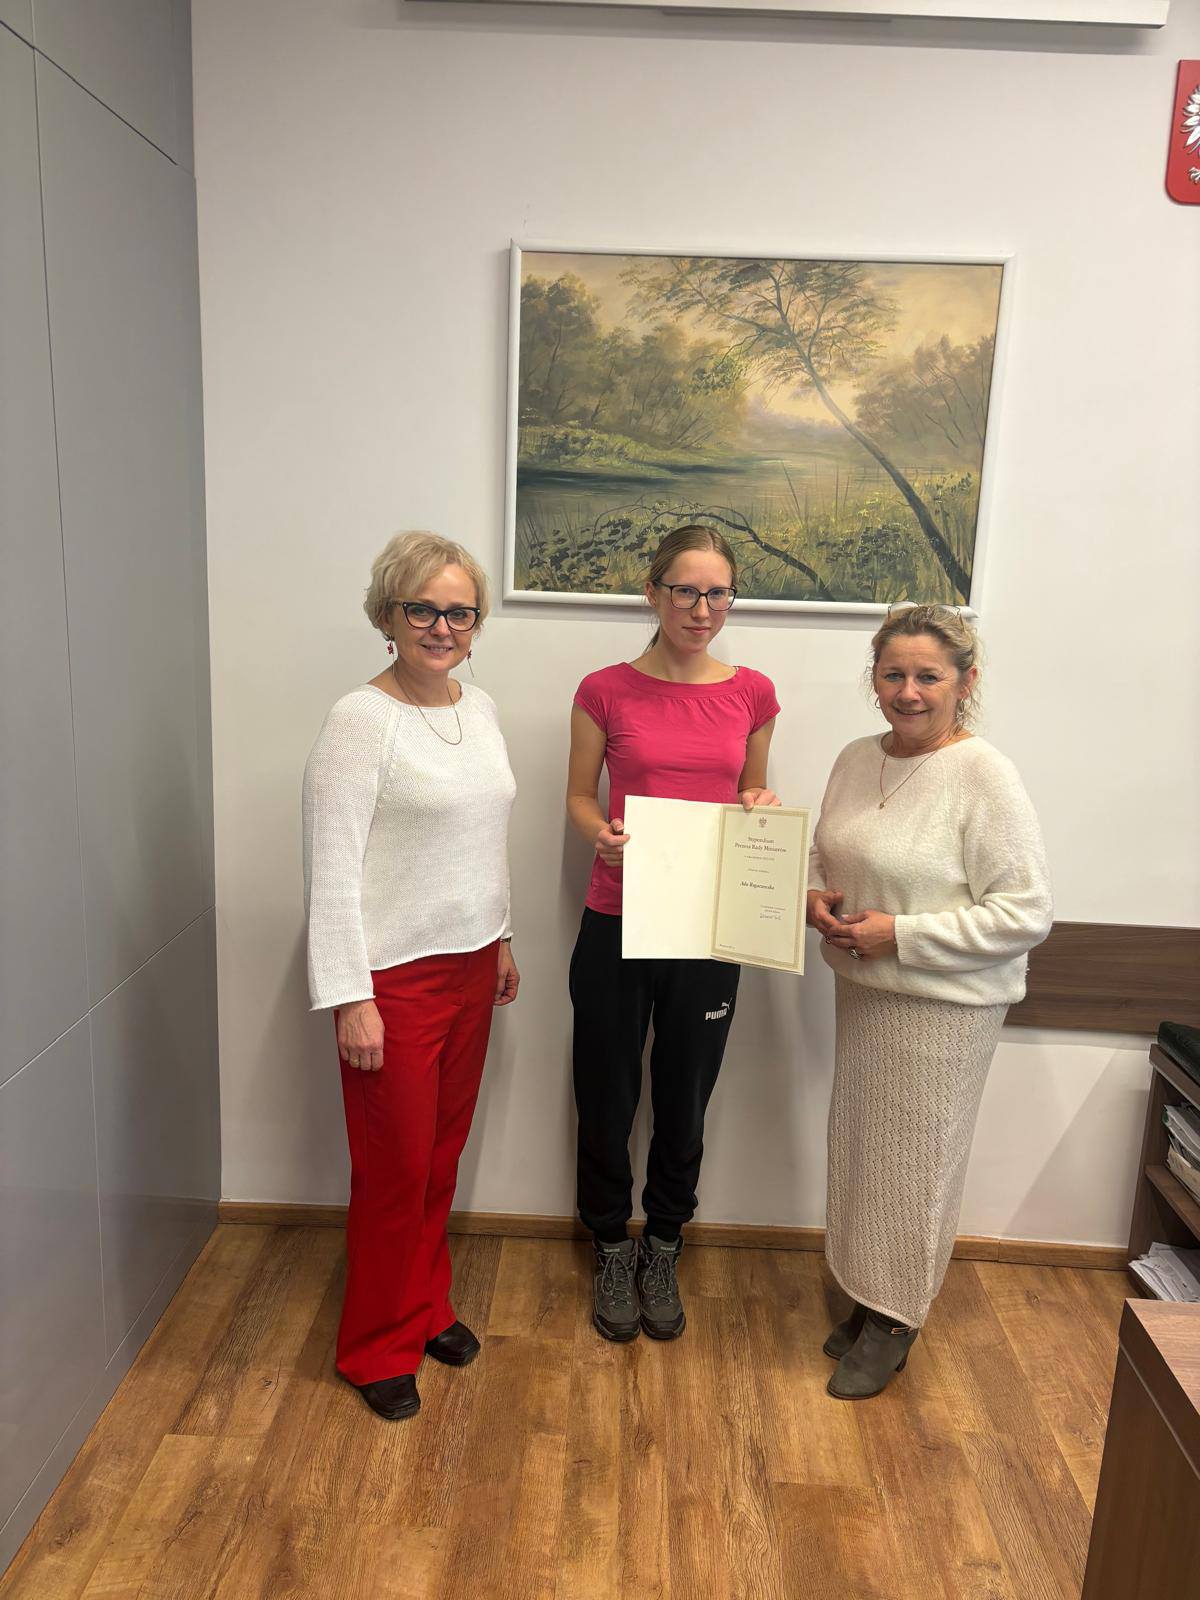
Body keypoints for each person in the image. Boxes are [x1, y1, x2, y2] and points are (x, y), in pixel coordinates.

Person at [807, 603, 1051, 1400]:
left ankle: (896, 1319)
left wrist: (901, 935)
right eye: (893, 674)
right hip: (865, 994)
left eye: (927, 676)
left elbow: (1025, 913)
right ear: (873, 678)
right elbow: (826, 854)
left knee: (919, 1165)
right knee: (864, 1152)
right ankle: (866, 1294)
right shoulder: (855, 758)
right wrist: (814, 896)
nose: (907, 692)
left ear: (965, 682)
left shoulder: (984, 775)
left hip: (945, 1010)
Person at [302, 532, 519, 1421]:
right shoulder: (361, 721)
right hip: (391, 981)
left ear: (476, 622)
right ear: (387, 616)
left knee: (438, 1157)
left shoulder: (482, 707)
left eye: (459, 611)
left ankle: (425, 1306)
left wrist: (501, 939)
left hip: (471, 967)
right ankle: (375, 1346)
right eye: (421, 609)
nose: (441, 626)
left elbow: (481, 840)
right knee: (392, 1172)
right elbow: (330, 869)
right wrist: (349, 998)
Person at [565, 524, 781, 1343]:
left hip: (709, 924)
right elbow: (579, 796)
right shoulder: (603, 689)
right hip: (618, 918)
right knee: (607, 1091)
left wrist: (760, 805)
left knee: (686, 1093)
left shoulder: (753, 693)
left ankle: (663, 1244)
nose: (702, 608)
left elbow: (752, 792)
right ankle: (608, 1244)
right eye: (686, 591)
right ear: (653, 592)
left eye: (718, 593)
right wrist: (600, 832)